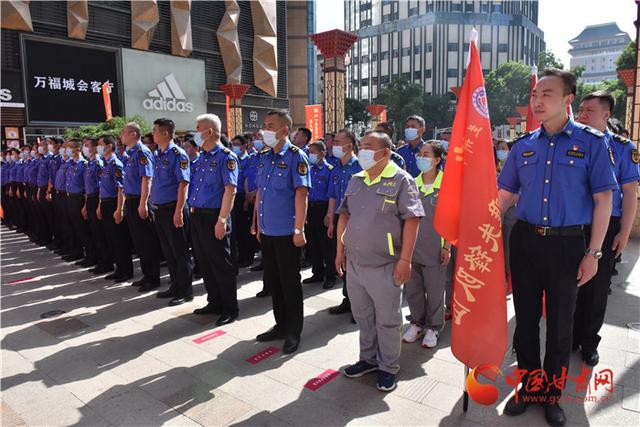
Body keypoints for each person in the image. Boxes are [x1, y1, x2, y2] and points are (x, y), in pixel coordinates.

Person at [498, 68, 617, 426]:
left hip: (568, 246)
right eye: (535, 94)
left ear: (568, 99)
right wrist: (478, 226)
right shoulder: (523, 147)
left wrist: (594, 254)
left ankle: (552, 395)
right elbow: (504, 196)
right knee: (525, 321)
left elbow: (603, 200)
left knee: (562, 325)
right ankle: (530, 387)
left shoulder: (593, 143)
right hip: (525, 242)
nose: (537, 100)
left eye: (547, 94)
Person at [337, 130, 424, 392]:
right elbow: (344, 214)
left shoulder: (401, 180)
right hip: (355, 262)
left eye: (368, 146)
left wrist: (405, 260)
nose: (362, 150)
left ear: (384, 153)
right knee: (362, 316)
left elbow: (412, 220)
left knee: (387, 319)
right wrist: (340, 251)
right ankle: (368, 359)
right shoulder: (356, 179)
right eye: (361, 145)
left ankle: (388, 367)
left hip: (385, 264)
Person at [573, 91, 640, 366]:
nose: (582, 115)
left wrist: (624, 233)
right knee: (568, 285)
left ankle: (589, 342)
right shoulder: (570, 141)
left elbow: (629, 192)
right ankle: (568, 338)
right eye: (581, 110)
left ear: (606, 114)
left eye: (589, 111)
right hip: (572, 223)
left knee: (597, 287)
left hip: (607, 225)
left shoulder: (622, 148)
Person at [254, 110, 311, 354]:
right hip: (267, 230)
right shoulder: (265, 157)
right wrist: (256, 223)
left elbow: (301, 194)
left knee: (290, 283)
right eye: (265, 125)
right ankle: (280, 324)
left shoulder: (296, 157)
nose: (265, 129)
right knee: (274, 281)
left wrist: (299, 228)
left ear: (284, 130)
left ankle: (293, 331)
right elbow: (261, 193)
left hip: (287, 232)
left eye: (271, 125)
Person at [189, 114, 239, 325]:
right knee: (205, 262)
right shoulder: (201, 158)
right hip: (197, 215)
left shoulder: (226, 157)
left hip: (214, 217)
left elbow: (230, 190)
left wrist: (222, 219)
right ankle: (214, 301)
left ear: (209, 132)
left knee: (221, 264)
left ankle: (230, 307)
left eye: (198, 128)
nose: (195, 133)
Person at [402, 141, 450, 348]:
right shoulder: (411, 183)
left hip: (435, 249)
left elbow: (453, 218)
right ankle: (417, 323)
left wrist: (447, 246)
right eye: (420, 154)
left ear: (437, 159)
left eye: (426, 154)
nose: (421, 158)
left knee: (435, 290)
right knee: (413, 289)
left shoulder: (447, 184)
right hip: (413, 248)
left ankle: (433, 327)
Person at [150, 118, 194, 306]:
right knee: (168, 252)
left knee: (180, 252)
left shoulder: (178, 154)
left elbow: (183, 184)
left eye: (155, 131)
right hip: (160, 209)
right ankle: (175, 286)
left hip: (173, 209)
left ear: (165, 133)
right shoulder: (158, 154)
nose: (153, 134)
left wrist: (178, 212)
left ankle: (185, 291)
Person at [121, 123, 162, 291]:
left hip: (140, 200)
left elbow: (147, 179)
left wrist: (143, 203)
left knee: (147, 241)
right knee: (138, 241)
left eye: (123, 132)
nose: (121, 135)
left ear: (132, 134)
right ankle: (146, 275)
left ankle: (153, 278)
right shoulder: (129, 154)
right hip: (131, 200)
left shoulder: (142, 152)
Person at [326, 129, 362, 318]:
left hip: (357, 222)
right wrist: (331, 217)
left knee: (356, 264)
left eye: (338, 142)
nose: (334, 145)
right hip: (341, 221)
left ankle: (359, 306)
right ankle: (348, 300)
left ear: (349, 145)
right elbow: (332, 195)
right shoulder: (336, 168)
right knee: (343, 261)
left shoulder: (361, 167)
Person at [97, 135, 134, 281]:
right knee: (111, 239)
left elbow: (121, 189)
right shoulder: (105, 164)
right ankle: (119, 269)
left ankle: (126, 271)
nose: (98, 147)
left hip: (114, 203)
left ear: (109, 146)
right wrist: (100, 206)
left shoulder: (115, 164)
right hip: (105, 203)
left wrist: (120, 209)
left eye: (100, 144)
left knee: (120, 240)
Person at [302, 141, 336, 289]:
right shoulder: (308, 169)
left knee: (326, 245)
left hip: (323, 209)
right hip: (310, 208)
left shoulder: (329, 170)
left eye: (313, 152)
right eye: (309, 152)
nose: (310, 155)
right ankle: (317, 273)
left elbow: (331, 195)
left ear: (322, 153)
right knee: (313, 243)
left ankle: (330, 275)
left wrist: (329, 214)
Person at [81, 137, 111, 272]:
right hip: (90, 199)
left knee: (100, 233)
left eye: (87, 145)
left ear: (94, 148)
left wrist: (99, 205)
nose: (84, 148)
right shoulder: (89, 163)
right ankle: (97, 260)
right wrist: (86, 205)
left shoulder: (98, 163)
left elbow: (101, 187)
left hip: (98, 199)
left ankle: (106, 262)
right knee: (94, 232)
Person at [64, 139, 95, 264]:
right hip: (70, 197)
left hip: (79, 199)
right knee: (73, 227)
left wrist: (85, 205)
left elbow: (87, 187)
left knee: (83, 229)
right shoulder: (70, 163)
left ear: (77, 149)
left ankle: (91, 256)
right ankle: (77, 252)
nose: (66, 149)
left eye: (69, 147)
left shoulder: (84, 164)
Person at [230, 134, 255, 268]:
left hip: (242, 197)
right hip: (232, 197)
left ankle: (248, 256)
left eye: (237, 144)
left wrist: (246, 198)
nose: (234, 147)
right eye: (233, 144)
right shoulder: (232, 159)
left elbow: (248, 179)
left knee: (245, 230)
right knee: (235, 230)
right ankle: (240, 256)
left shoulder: (249, 160)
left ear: (244, 146)